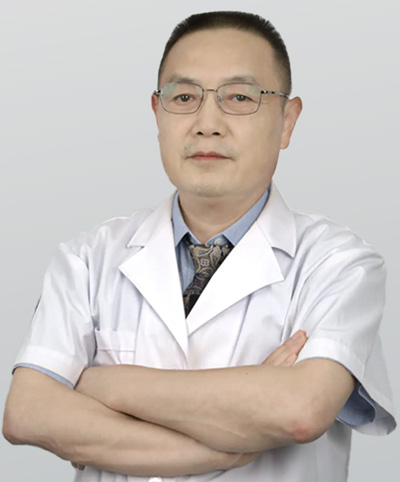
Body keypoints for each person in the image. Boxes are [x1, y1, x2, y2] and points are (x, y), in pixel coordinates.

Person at [3, 10, 396, 482]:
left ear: (287, 121)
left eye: (240, 97)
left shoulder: (338, 263)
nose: (207, 123)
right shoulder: (87, 258)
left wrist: (101, 384)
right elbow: (26, 413)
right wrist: (225, 448)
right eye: (184, 97)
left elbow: (300, 410)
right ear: (157, 114)